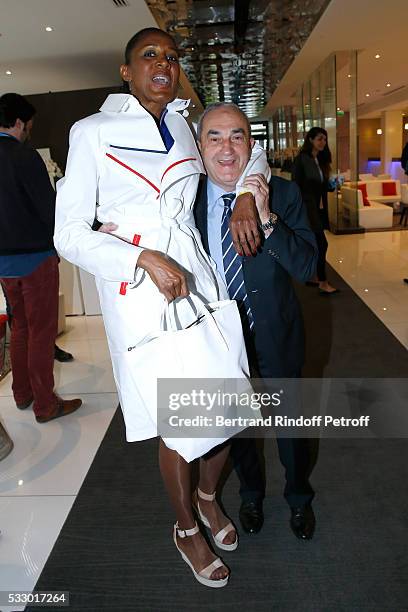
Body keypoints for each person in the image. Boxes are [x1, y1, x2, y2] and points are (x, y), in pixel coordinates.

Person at [54, 28, 269, 588]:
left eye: (172, 57)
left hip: (198, 274)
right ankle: (185, 528)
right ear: (126, 70)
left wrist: (247, 193)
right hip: (139, 286)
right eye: (150, 55)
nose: (163, 64)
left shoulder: (183, 121)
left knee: (224, 410)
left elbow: (249, 148)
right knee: (179, 422)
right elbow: (69, 234)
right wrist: (142, 258)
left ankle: (206, 496)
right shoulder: (92, 131)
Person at [194, 102, 318, 539]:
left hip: (277, 331)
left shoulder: (282, 193)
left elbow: (307, 268)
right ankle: (250, 495)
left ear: (251, 144)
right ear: (199, 144)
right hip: (220, 340)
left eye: (237, 136)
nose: (226, 148)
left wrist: (266, 219)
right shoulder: (184, 202)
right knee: (239, 429)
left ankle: (299, 496)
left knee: (291, 428)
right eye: (214, 137)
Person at [0, 93, 82, 423]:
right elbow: (50, 208)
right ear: (20, 122)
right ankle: (46, 405)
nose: (29, 131)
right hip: (35, 257)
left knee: (19, 328)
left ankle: (23, 393)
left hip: (3, 262)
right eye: (29, 125)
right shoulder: (24, 155)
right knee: (41, 332)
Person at [292, 127, 338, 294]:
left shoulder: (320, 160)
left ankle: (313, 276)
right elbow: (295, 186)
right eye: (319, 139)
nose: (323, 142)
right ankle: (323, 282)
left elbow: (322, 186)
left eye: (324, 139)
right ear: (310, 139)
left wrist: (332, 185)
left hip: (318, 208)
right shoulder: (302, 159)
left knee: (313, 244)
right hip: (307, 208)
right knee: (321, 244)